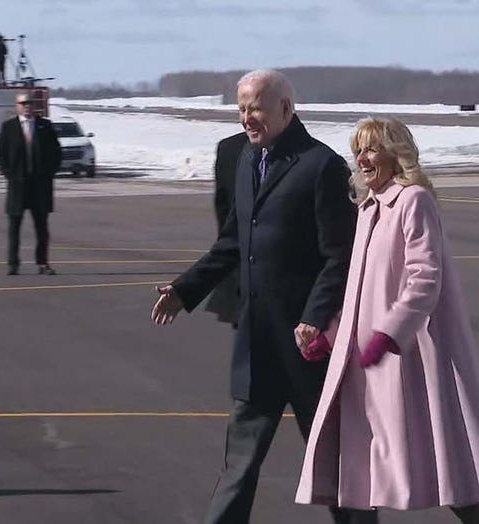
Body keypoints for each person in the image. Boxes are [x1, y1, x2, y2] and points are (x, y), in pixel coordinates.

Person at [151, 69, 372, 524]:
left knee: (333, 466)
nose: (246, 118)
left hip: (310, 353)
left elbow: (340, 257)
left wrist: (314, 317)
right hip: (257, 344)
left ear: (286, 109)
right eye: (240, 109)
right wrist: (184, 289)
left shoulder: (321, 167)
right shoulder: (249, 162)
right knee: (240, 464)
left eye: (254, 108)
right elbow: (232, 243)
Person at [294, 117, 479, 523]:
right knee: (360, 468)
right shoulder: (367, 208)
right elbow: (360, 289)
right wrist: (331, 334)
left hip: (404, 358)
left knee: (435, 463)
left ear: (394, 153)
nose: (362, 159)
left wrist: (389, 334)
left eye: (372, 149)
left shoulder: (413, 201)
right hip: (363, 363)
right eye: (358, 150)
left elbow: (424, 278)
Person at [0, 92, 62, 276]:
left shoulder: (44, 126)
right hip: (18, 187)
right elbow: (1, 154)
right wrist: (10, 174)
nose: (27, 106)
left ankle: (42, 263)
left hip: (39, 188)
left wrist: (49, 174)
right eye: (23, 103)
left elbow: (56, 153)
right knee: (14, 228)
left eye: (30, 103)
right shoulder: (9, 127)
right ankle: (13, 263)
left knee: (42, 229)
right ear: (17, 106)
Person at [202, 132, 249, 325]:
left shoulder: (229, 148)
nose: (247, 118)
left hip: (240, 277)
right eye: (243, 110)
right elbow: (225, 216)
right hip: (243, 282)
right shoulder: (229, 149)